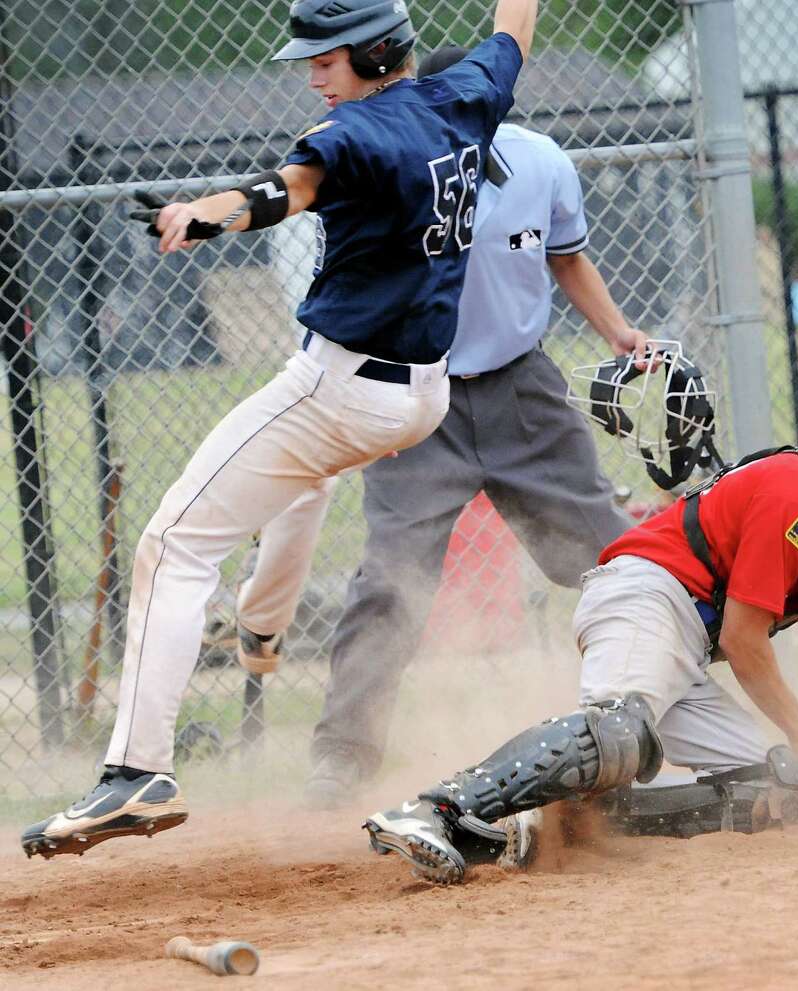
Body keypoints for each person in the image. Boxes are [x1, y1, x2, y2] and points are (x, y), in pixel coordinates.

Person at [21, 0, 540, 860]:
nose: (311, 75)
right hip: (422, 393)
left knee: (172, 544)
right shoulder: (465, 98)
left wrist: (204, 212)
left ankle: (136, 771)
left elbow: (281, 192)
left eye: (325, 60)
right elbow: (512, 32)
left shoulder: (356, 136)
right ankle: (263, 628)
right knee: (305, 477)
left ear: (375, 53)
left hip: (341, 386)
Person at [361, 399, 798, 884]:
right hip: (649, 594)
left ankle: (570, 825)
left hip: (685, 633)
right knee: (621, 733)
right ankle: (437, 810)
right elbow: (746, 642)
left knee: (777, 790)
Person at [302, 44, 649, 809]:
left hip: (523, 390)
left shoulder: (542, 163)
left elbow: (569, 259)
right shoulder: (394, 166)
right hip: (415, 395)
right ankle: (343, 756)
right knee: (391, 581)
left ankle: (664, 716)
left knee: (618, 558)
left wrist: (618, 332)